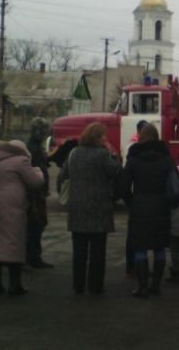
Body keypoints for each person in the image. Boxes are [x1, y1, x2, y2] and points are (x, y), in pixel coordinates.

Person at [58, 123, 122, 295]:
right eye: (103, 136)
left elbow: (63, 175)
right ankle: (95, 285)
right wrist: (115, 156)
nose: (105, 138)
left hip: (78, 206)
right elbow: (115, 172)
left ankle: (78, 284)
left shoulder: (74, 153)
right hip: (99, 206)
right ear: (96, 137)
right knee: (97, 251)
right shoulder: (102, 154)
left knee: (79, 251)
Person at [0, 140, 45, 296]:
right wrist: (39, 172)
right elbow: (35, 182)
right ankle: (15, 285)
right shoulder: (20, 161)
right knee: (14, 241)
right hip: (13, 207)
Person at [118, 123, 176, 297]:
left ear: (141, 136)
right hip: (161, 206)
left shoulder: (134, 158)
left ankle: (142, 286)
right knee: (159, 247)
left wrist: (131, 202)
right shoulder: (166, 158)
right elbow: (175, 183)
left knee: (140, 247)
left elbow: (123, 186)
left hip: (140, 206)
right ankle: (156, 285)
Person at [25, 117, 53, 269]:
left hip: (37, 190)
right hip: (35, 192)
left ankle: (33, 255)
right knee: (36, 224)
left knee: (36, 224)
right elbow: (37, 168)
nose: (45, 134)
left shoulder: (32, 146)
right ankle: (33, 256)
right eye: (44, 131)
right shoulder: (33, 148)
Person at [124, 120, 150, 278]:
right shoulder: (134, 148)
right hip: (147, 198)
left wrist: (129, 201)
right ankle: (135, 267)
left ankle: (134, 267)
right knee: (141, 236)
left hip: (137, 197)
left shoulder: (132, 148)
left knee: (134, 235)